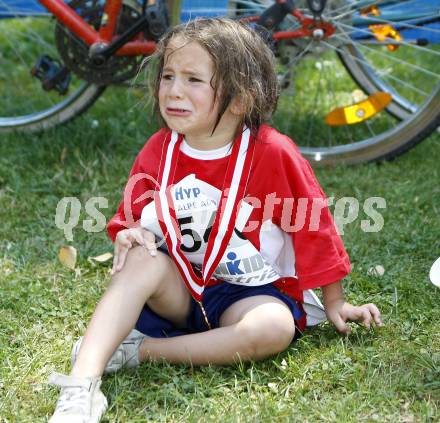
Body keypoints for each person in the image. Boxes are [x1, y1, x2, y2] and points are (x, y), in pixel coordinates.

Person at [48, 17, 382, 423]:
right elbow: (131, 215)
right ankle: (82, 382)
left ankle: (138, 351)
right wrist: (127, 232)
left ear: (240, 98)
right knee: (141, 257)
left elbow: (314, 227)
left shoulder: (273, 153)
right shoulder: (160, 149)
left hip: (247, 294)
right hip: (181, 287)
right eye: (168, 75)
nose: (172, 90)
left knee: (275, 327)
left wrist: (336, 301)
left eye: (193, 79)